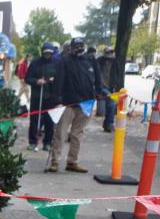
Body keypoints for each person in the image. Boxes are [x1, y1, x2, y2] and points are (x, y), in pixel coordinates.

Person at [48, 36, 102, 173]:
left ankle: (72, 161)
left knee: (77, 134)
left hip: (86, 103)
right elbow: (58, 81)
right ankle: (54, 161)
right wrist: (57, 100)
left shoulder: (90, 61)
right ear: (71, 48)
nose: (79, 48)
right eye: (76, 46)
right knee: (60, 133)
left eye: (81, 45)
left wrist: (99, 92)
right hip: (67, 103)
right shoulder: (64, 61)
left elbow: (98, 78)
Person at [24, 43, 59, 151]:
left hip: (50, 97)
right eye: (45, 53)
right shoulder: (35, 63)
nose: (47, 55)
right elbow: (27, 78)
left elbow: (61, 78)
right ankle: (33, 142)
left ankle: (47, 142)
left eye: (49, 53)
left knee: (49, 121)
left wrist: (54, 81)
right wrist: (36, 81)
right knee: (34, 120)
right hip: (37, 96)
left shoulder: (57, 63)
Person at [98, 46, 118, 132]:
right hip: (101, 86)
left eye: (111, 53)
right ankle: (109, 123)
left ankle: (108, 124)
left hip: (110, 87)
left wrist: (116, 86)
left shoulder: (115, 62)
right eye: (108, 52)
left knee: (111, 105)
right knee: (112, 103)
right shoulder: (99, 61)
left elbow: (117, 75)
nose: (110, 54)